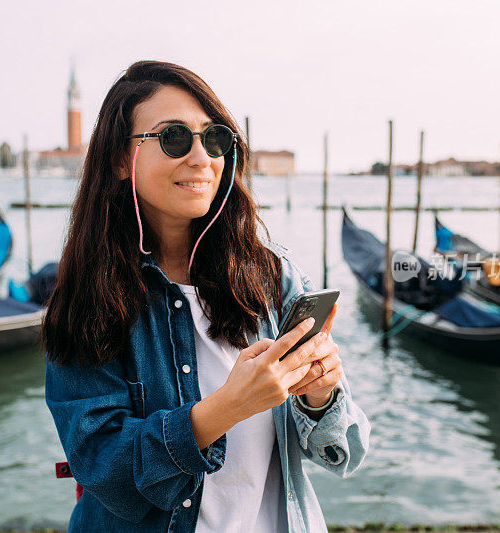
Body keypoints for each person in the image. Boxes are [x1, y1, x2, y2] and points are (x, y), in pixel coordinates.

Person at [43, 60, 371, 533]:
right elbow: (103, 467)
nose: (201, 158)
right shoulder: (85, 300)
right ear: (119, 159)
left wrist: (319, 395)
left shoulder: (272, 278)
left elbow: (345, 451)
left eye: (214, 138)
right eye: (174, 137)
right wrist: (225, 408)